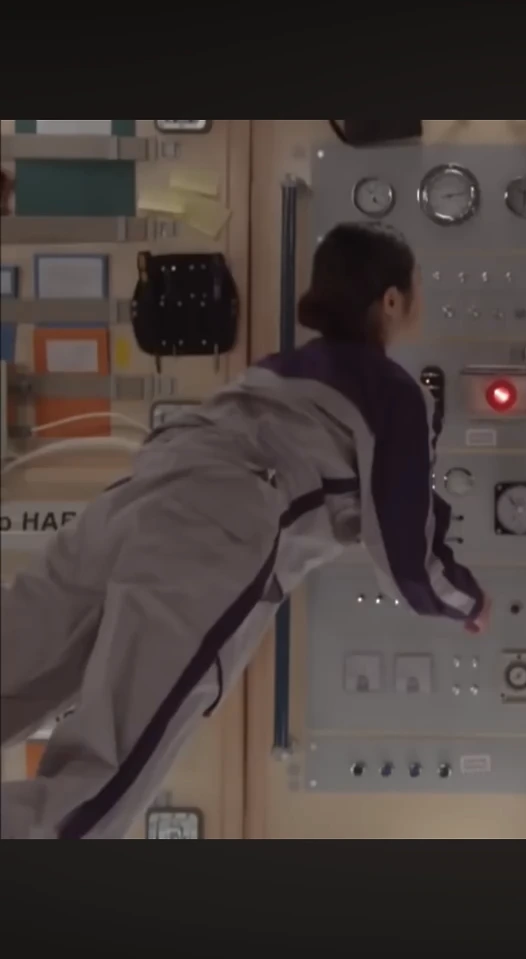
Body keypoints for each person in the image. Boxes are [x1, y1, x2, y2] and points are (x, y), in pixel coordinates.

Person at [0, 223, 488, 839]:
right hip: (214, 529)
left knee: (21, 650)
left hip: (137, 495)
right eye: (418, 287)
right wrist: (467, 602)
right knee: (113, 763)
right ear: (392, 300)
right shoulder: (393, 392)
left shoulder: (278, 370)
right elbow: (406, 557)